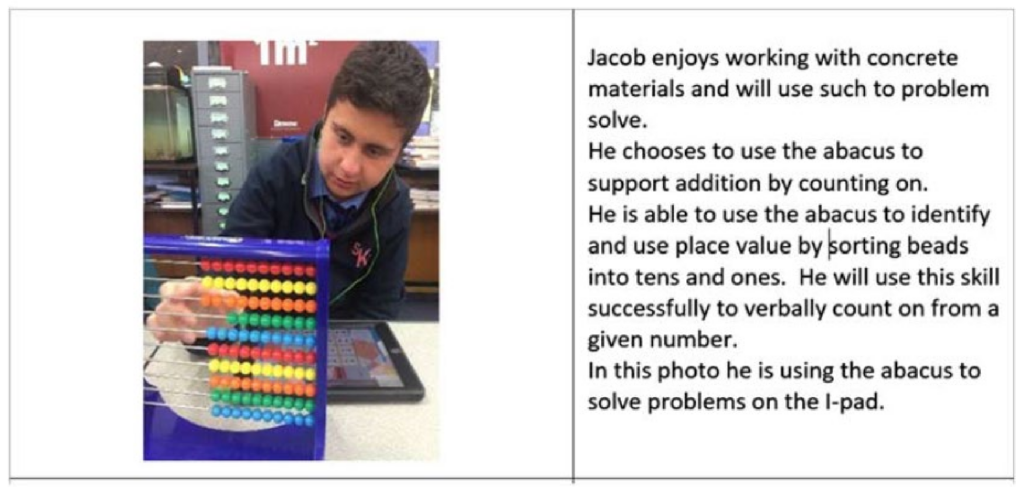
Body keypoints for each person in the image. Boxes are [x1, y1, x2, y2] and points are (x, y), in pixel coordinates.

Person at [147, 41, 432, 343]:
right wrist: (204, 313)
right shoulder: (273, 176)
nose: (348, 166)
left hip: (338, 350)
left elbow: (379, 311)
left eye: (374, 151)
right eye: (343, 136)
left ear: (400, 151)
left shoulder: (394, 206)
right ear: (325, 114)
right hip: (266, 346)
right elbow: (228, 282)